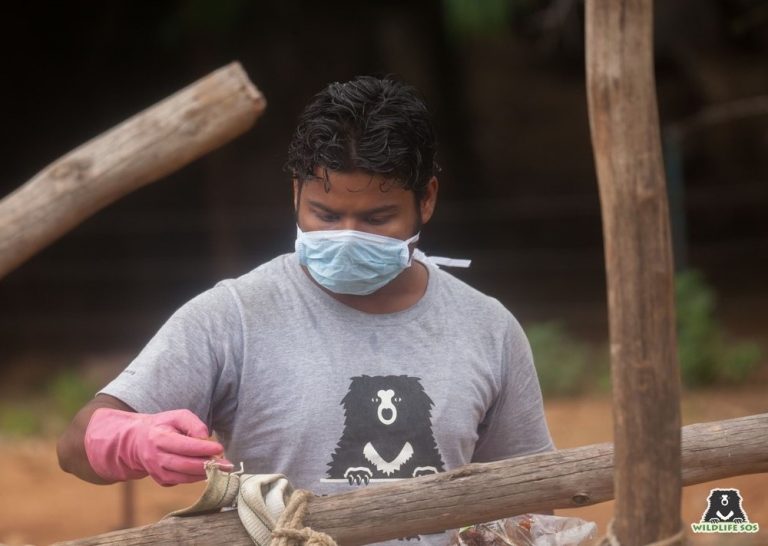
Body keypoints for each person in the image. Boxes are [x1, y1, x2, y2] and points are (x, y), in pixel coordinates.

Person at [57, 76, 554, 544]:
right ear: (296, 192)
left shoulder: (487, 329)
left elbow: (532, 498)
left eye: (377, 218)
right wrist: (131, 439)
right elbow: (76, 446)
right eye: (326, 214)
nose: (346, 236)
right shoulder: (235, 316)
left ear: (426, 199)